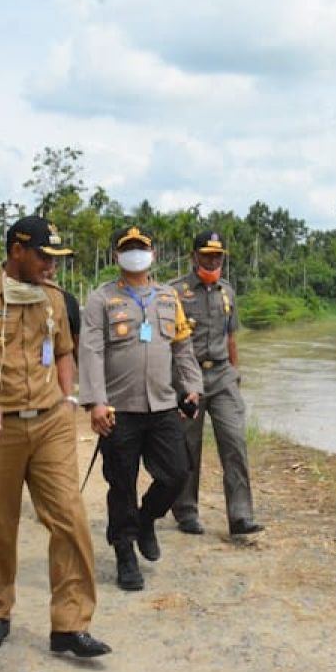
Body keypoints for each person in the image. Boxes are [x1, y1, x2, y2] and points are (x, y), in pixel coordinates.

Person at [0, 215, 110, 659]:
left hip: (49, 423)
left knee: (69, 517)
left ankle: (70, 624)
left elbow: (63, 349)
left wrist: (66, 399)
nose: (52, 266)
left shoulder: (54, 298)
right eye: (45, 257)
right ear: (17, 251)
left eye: (56, 259)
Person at [78, 225, 203, 592]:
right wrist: (96, 402)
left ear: (154, 255)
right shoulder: (101, 300)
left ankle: (147, 519)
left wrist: (192, 386)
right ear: (116, 256)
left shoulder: (168, 297)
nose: (135, 254)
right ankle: (124, 551)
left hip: (163, 404)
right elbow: (91, 352)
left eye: (141, 248)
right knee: (121, 483)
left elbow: (182, 347)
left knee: (177, 473)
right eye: (127, 248)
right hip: (120, 409)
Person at [169, 231, 264, 537]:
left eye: (218, 255)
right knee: (188, 446)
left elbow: (230, 336)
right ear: (193, 256)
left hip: (222, 375)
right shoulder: (175, 292)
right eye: (207, 254)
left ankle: (240, 516)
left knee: (234, 441)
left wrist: (236, 373)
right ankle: (186, 512)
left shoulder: (227, 291)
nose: (213, 260)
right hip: (188, 378)